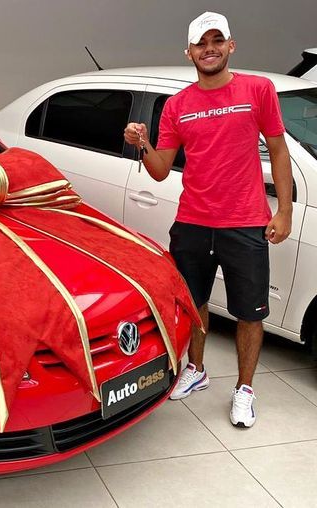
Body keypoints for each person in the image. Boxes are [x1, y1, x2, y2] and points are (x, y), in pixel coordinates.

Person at [124, 11, 292, 428]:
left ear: (231, 46)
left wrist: (284, 210)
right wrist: (142, 143)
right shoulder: (178, 105)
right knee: (194, 302)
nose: (209, 49)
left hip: (245, 222)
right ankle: (196, 370)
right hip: (193, 223)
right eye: (201, 43)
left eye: (217, 41)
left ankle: (244, 389)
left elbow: (279, 150)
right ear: (189, 52)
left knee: (250, 313)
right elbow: (160, 169)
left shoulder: (258, 90)